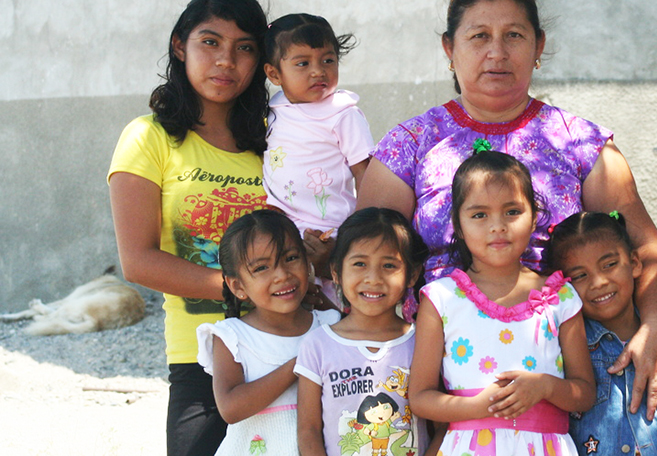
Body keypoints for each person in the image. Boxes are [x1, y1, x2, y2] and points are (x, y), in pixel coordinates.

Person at [361, 0, 657, 418]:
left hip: (572, 375)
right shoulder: (410, 144)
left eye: (514, 35)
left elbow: (646, 249)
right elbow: (361, 258)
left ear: (538, 45)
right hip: (433, 379)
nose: (497, 52)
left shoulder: (580, 143)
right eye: (479, 36)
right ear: (449, 49)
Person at [106, 0, 269, 454]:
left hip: (288, 346)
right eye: (210, 42)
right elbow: (138, 261)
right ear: (180, 46)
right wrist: (243, 287)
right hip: (201, 359)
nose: (225, 60)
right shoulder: (148, 137)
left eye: (244, 48)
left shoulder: (275, 139)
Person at [408, 149, 595, 455]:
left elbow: (584, 393)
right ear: (458, 223)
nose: (498, 226)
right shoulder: (441, 299)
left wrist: (546, 386)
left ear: (533, 216)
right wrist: (477, 407)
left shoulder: (560, 296)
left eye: (512, 211)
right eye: (479, 215)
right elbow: (420, 398)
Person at [548, 211, 657, 456]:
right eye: (580, 276)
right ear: (564, 286)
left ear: (635, 263)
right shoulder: (566, 345)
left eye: (609, 265)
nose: (599, 282)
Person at [196, 210, 341, 456]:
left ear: (308, 263)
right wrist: (301, 363)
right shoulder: (232, 337)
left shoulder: (330, 323)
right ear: (238, 286)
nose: (282, 275)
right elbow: (230, 409)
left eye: (291, 258)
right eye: (262, 267)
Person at [296, 207, 430, 456]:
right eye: (359, 264)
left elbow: (441, 428)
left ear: (412, 274)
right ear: (335, 271)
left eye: (389, 265)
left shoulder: (423, 342)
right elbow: (308, 431)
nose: (373, 278)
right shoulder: (317, 344)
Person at [261, 14, 372, 307]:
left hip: (329, 233)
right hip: (282, 231)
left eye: (327, 60)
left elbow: (366, 176)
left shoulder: (343, 113)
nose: (317, 71)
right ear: (274, 74)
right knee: (291, 308)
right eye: (302, 63)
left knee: (336, 308)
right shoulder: (272, 110)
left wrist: (355, 239)